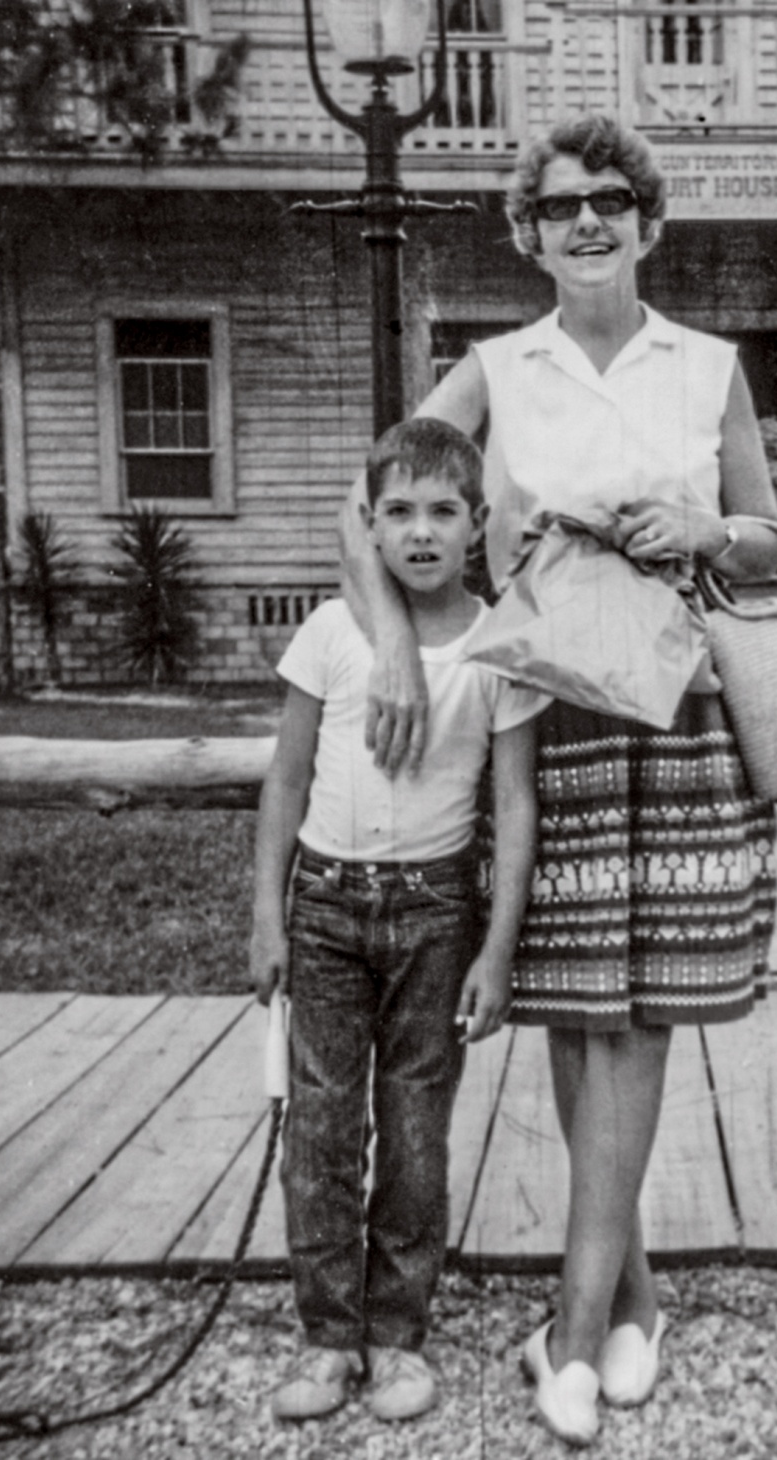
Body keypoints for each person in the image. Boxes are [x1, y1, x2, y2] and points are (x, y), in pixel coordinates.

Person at [341, 113, 777, 1446]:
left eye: (610, 201)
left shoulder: (708, 368)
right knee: (580, 1010)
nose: (586, 222)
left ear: (650, 222)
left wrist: (711, 527)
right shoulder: (494, 370)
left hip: (682, 714)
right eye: (559, 206)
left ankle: (572, 1332)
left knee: (639, 1022)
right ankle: (623, 1310)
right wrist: (396, 656)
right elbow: (367, 503)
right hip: (547, 725)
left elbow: (771, 546)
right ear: (528, 233)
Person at [252, 418, 545, 1424]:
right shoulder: (332, 633)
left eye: (443, 512)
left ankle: (396, 1332)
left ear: (477, 524)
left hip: (433, 912)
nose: (421, 532)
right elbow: (285, 777)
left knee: (414, 1129)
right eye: (400, 513)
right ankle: (328, 1333)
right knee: (323, 1127)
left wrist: (497, 947)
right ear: (368, 526)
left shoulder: (498, 644)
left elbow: (513, 805)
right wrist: (267, 914)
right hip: (328, 904)